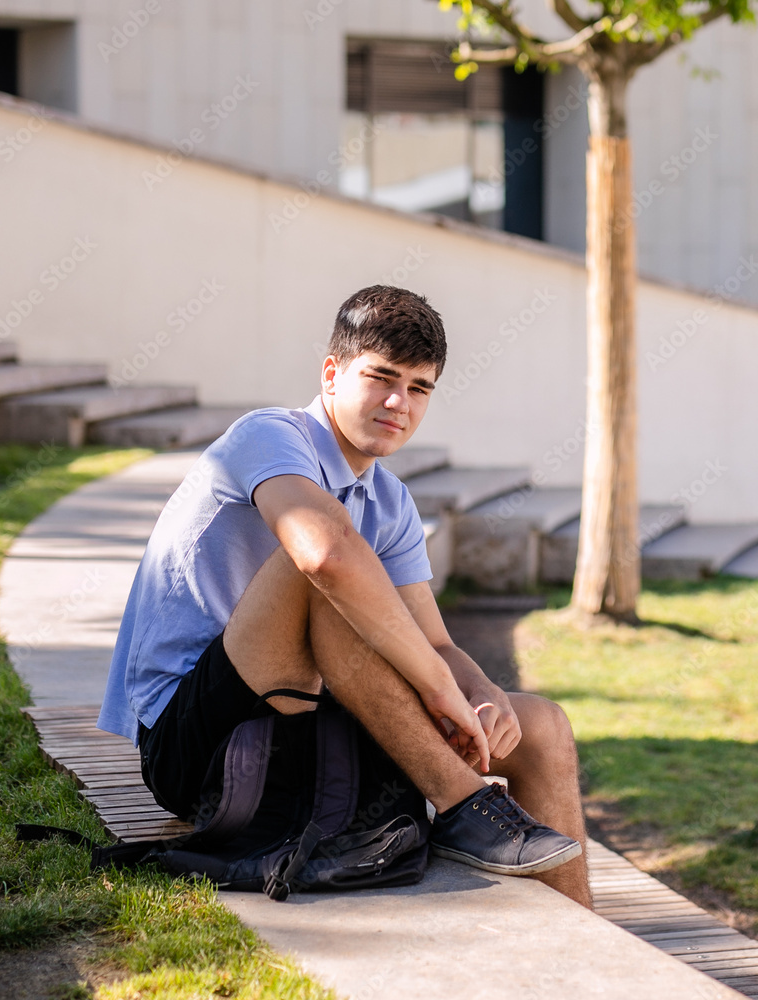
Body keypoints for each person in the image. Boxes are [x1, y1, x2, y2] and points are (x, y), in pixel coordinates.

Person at [99, 285, 591, 907]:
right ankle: (466, 807)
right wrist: (438, 689)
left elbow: (437, 642)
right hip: (200, 750)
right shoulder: (268, 436)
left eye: (419, 388)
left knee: (540, 725)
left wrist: (480, 693)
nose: (399, 402)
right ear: (331, 374)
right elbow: (323, 557)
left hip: (310, 734)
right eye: (381, 378)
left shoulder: (390, 500)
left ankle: (589, 939)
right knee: (325, 572)